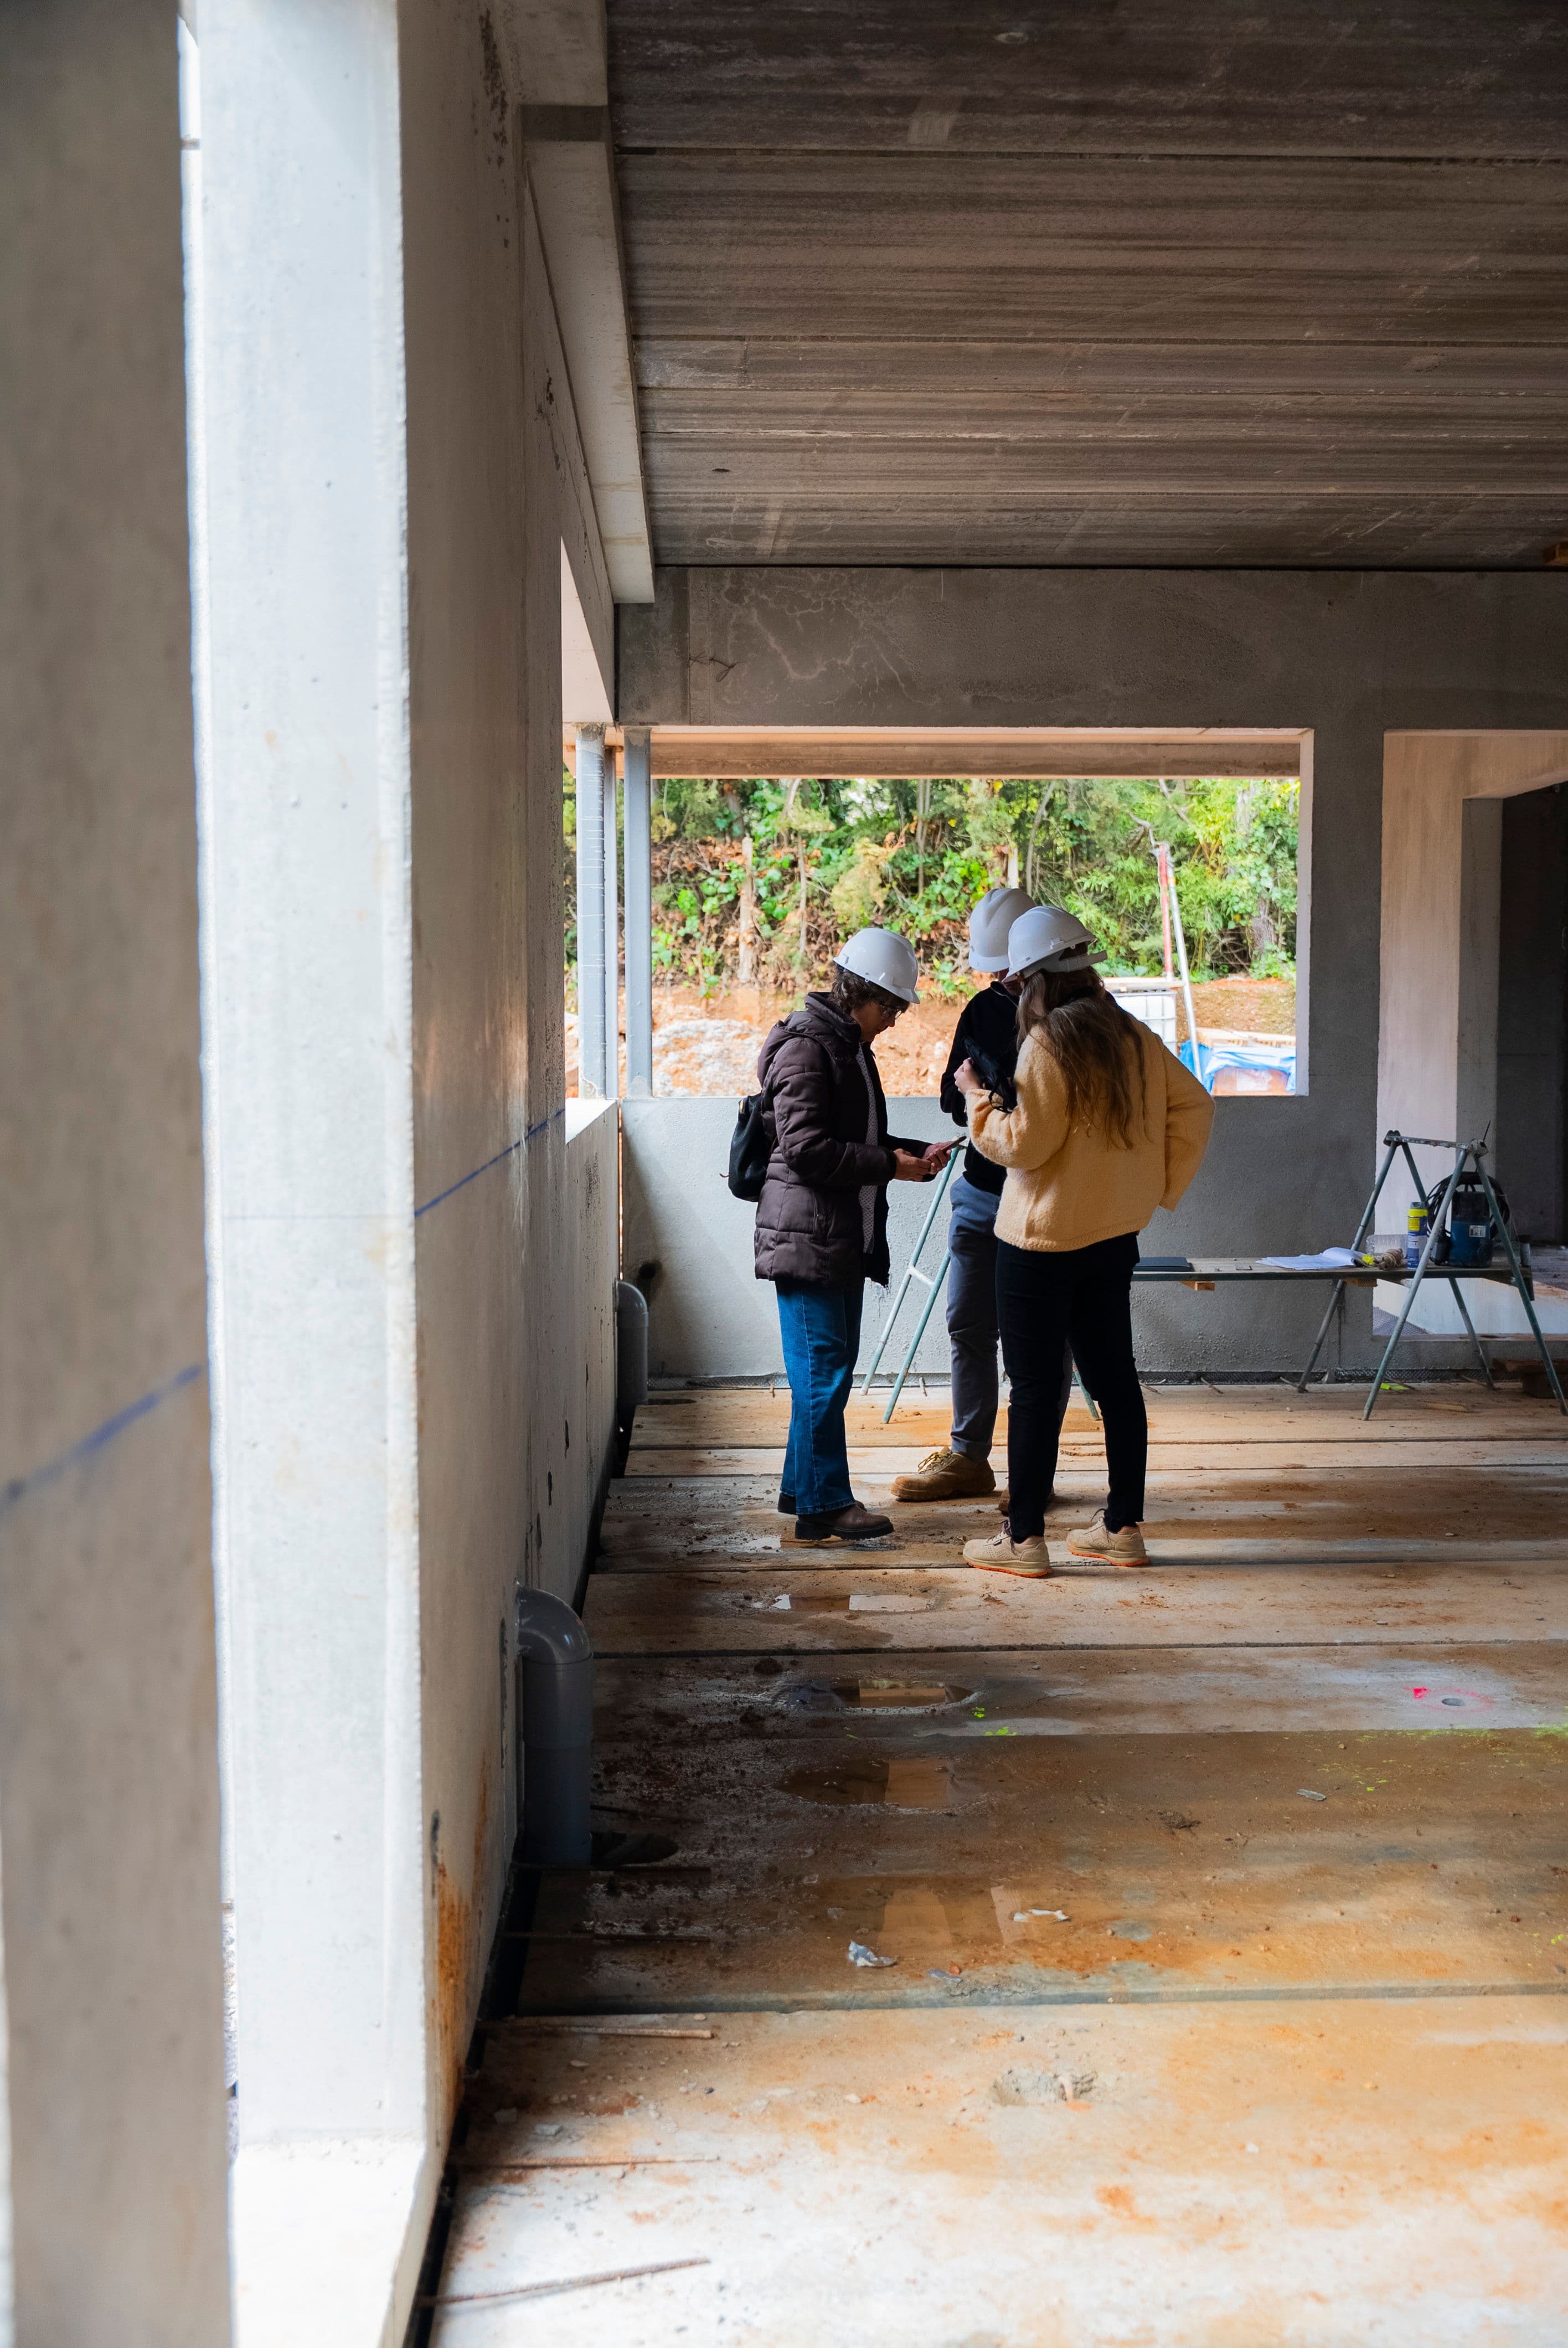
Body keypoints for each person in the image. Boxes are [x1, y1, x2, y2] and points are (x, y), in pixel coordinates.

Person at [952, 906, 1214, 1577]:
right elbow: (1196, 1105)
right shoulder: (1131, 1033)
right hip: (1111, 1238)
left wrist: (980, 1099)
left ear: (1034, 978)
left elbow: (1025, 1144)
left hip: (1038, 1245)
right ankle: (1123, 1527)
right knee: (1115, 1383)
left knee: (1036, 1389)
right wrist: (1155, 1184)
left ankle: (1024, 1538)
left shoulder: (1048, 1043)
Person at [754, 928, 956, 1542]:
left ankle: (803, 1491)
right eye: (890, 1006)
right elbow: (808, 1151)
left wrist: (912, 1154)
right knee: (824, 1372)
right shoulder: (806, 1050)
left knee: (825, 1369)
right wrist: (889, 1164)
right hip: (808, 1238)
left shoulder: (848, 1048)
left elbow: (856, 1140)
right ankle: (826, 1504)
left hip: (837, 1237)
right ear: (859, 995)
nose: (893, 1020)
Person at [891, 885, 1073, 1507]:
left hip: (1046, 1199)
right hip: (980, 1193)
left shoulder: (1074, 1017)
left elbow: (1053, 1116)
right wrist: (987, 1093)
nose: (1001, 980)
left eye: (1010, 971)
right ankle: (970, 1458)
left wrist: (986, 1093)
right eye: (995, 971)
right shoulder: (983, 1009)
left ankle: (1035, 1472)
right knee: (968, 1323)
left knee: (1045, 1338)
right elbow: (951, 1093)